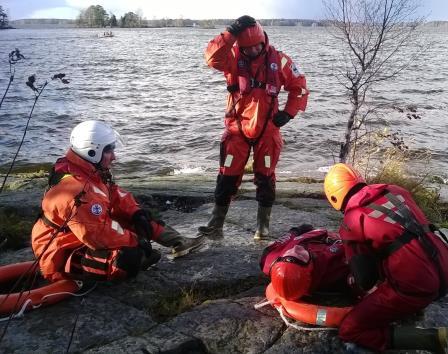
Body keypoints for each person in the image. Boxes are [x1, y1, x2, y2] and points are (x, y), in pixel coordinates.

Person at [31, 121, 204, 283]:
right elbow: (98, 235)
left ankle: (179, 241)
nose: (114, 157)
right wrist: (136, 241)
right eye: (109, 150)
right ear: (92, 151)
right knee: (129, 259)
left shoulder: (89, 170)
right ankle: (66, 272)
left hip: (79, 234)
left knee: (140, 218)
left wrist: (136, 213)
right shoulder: (76, 189)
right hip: (60, 250)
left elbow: (115, 194)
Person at [323, 163, 448, 353]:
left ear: (334, 196)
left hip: (418, 286)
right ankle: (415, 306)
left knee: (350, 329)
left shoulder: (353, 219)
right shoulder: (396, 190)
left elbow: (366, 280)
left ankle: (428, 339)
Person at [200, 15, 309, 240]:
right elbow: (211, 57)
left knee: (266, 178)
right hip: (236, 129)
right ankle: (216, 225)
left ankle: (263, 227)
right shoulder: (231, 56)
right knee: (226, 177)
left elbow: (299, 88)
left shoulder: (280, 61)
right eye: (246, 48)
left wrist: (288, 113)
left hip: (267, 130)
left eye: (255, 47)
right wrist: (230, 32)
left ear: (263, 42)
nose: (251, 51)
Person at [260, 224, 350, 301]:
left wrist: (297, 230)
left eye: (285, 258)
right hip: (336, 239)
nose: (295, 249)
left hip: (311, 235)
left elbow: (290, 235)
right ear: (309, 270)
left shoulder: (268, 258)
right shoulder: (334, 272)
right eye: (298, 258)